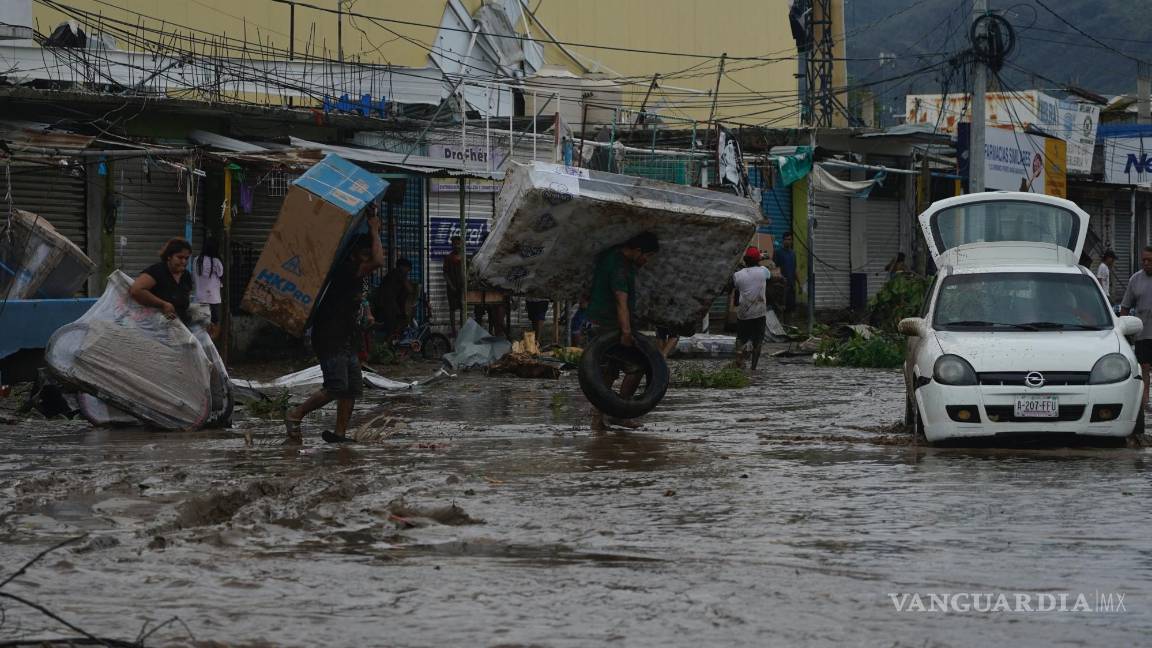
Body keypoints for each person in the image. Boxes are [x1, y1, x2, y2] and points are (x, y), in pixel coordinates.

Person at [285, 208, 386, 445]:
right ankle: (295, 414)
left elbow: (362, 298)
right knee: (335, 386)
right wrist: (373, 229)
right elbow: (379, 261)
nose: (369, 258)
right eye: (365, 254)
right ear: (353, 256)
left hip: (348, 339)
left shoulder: (358, 276)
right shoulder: (346, 270)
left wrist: (368, 315)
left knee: (351, 388)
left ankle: (340, 434)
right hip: (330, 337)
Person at [585, 231, 660, 433]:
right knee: (635, 367)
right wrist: (626, 331)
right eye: (648, 256)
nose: (647, 261)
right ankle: (619, 412)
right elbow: (621, 302)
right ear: (637, 250)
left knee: (607, 372)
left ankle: (599, 419)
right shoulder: (620, 268)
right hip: (610, 324)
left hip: (598, 319)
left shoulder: (611, 255)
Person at [130, 238, 194, 324]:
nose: (184, 261)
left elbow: (185, 301)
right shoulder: (157, 271)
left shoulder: (186, 276)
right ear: (169, 256)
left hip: (180, 329)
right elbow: (136, 290)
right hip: (155, 328)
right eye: (180, 257)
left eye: (186, 258)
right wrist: (163, 304)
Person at [731, 246, 773, 371]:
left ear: (745, 260)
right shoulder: (763, 271)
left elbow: (735, 286)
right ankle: (753, 368)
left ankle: (739, 362)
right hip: (759, 312)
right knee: (758, 341)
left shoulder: (737, 275)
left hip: (744, 312)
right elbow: (769, 276)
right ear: (757, 260)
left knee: (741, 338)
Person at [1121, 246, 1152, 412]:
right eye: (1144, 260)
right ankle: (1145, 401)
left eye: (1150, 261)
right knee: (1144, 367)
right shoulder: (1135, 279)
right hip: (1143, 332)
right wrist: (1124, 329)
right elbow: (1125, 306)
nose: (1146, 263)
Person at [191, 237, 224, 338]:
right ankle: (212, 345)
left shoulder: (196, 260)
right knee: (214, 324)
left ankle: (201, 347)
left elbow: (193, 276)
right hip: (213, 299)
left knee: (200, 326)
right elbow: (221, 273)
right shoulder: (215, 261)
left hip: (199, 298)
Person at [373, 258, 413, 339]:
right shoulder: (400, 273)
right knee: (392, 324)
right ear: (402, 267)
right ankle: (388, 343)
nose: (408, 272)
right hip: (388, 302)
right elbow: (409, 289)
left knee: (390, 323)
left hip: (383, 301)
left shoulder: (393, 273)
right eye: (407, 270)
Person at [443, 236, 464, 335]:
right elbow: (445, 273)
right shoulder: (448, 258)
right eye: (455, 244)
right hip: (451, 287)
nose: (457, 246)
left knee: (462, 308)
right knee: (452, 309)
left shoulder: (464, 258)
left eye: (458, 244)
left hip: (462, 287)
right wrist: (451, 285)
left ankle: (462, 330)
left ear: (462, 244)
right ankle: (453, 331)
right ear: (452, 245)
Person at [776, 231, 797, 316]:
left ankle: (787, 328)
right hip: (781, 286)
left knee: (789, 309)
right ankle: (780, 327)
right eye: (786, 239)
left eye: (790, 239)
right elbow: (775, 269)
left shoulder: (793, 254)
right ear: (783, 240)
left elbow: (794, 269)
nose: (788, 241)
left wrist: (798, 284)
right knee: (780, 309)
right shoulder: (778, 253)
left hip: (791, 285)